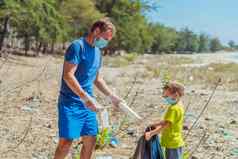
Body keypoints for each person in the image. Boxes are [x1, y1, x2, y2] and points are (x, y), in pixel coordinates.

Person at [54, 18, 122, 159]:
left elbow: (97, 79)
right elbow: (68, 75)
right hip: (70, 102)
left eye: (109, 40)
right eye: (105, 38)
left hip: (89, 104)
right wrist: (84, 97)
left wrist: (112, 96)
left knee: (91, 140)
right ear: (96, 30)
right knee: (66, 142)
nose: (106, 42)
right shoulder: (77, 46)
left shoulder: (98, 52)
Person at [145, 81, 185, 159]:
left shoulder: (173, 109)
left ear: (175, 95)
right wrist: (154, 124)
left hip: (172, 143)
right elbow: (167, 121)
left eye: (166, 96)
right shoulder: (179, 105)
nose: (165, 98)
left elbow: (166, 125)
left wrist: (152, 133)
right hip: (175, 142)